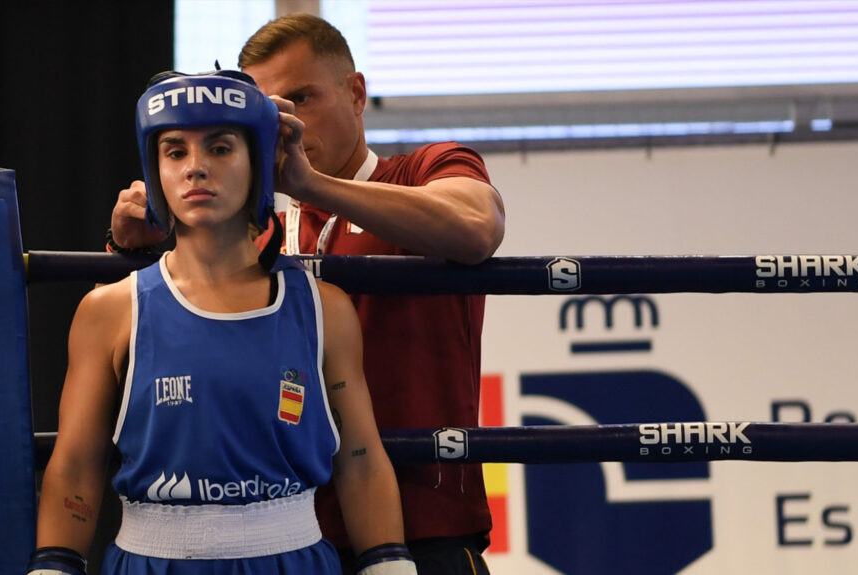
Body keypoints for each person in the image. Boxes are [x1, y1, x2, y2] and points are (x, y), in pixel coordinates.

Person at [108, 14, 505, 575]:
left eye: (302, 98)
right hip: (283, 534)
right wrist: (133, 238)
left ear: (356, 92)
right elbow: (142, 332)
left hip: (424, 522)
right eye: (268, 111)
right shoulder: (245, 223)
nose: (285, 122)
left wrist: (308, 182)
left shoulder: (423, 169)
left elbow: (475, 227)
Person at [30, 70, 416, 575]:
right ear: (155, 169)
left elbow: (359, 459)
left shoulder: (325, 309)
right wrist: (54, 566)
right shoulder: (110, 310)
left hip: (294, 558)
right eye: (175, 151)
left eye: (219, 149)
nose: (195, 169)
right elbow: (77, 463)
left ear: (257, 160)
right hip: (151, 560)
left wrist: (387, 564)